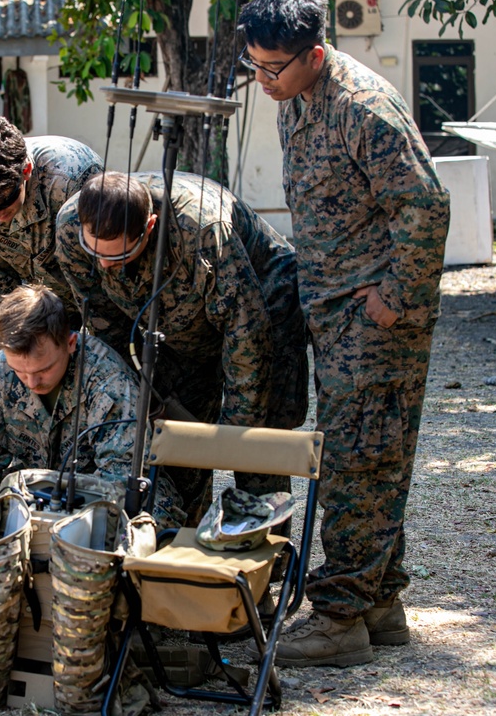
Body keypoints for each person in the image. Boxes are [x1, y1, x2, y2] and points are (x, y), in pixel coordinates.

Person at [237, 0, 450, 666]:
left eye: (275, 68)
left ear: (315, 54)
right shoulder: (295, 96)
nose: (263, 81)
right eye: (255, 66)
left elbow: (426, 204)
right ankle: (380, 602)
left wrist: (396, 295)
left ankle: (339, 619)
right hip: (331, 307)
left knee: (358, 465)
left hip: (372, 315)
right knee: (370, 459)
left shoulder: (362, 106)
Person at [56, 171, 309, 522]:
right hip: (178, 322)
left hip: (263, 304)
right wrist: (142, 389)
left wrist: (233, 434)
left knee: (255, 442)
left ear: (150, 226)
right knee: (174, 440)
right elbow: (104, 320)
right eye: (94, 252)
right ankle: (178, 546)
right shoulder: (71, 227)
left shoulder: (202, 229)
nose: (103, 265)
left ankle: (261, 558)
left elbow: (247, 337)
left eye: (119, 256)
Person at [0, 285, 183, 553]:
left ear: (70, 344)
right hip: (33, 491)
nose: (32, 382)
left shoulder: (108, 379)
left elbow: (121, 472)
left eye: (43, 370)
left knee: (153, 517)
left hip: (96, 493)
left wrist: (59, 520)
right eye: (20, 371)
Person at [0, 114, 104, 353]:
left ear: (26, 171)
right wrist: (10, 364)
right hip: (33, 296)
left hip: (85, 287)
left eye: (4, 203)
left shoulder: (71, 177)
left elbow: (102, 281)